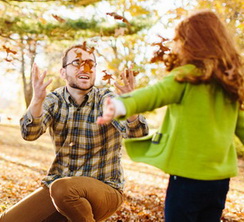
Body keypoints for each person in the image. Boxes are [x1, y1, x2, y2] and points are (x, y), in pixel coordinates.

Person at [97, 10, 243, 222]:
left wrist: (121, 105)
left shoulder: (187, 76)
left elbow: (154, 94)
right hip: (219, 182)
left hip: (187, 179)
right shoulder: (229, 84)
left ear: (191, 43)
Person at [0, 43, 149, 222]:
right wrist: (36, 101)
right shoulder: (54, 100)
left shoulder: (106, 99)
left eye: (90, 64)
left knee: (63, 189)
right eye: (77, 63)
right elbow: (29, 133)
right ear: (63, 72)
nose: (85, 68)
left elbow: (137, 134)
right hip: (59, 190)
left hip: (105, 189)